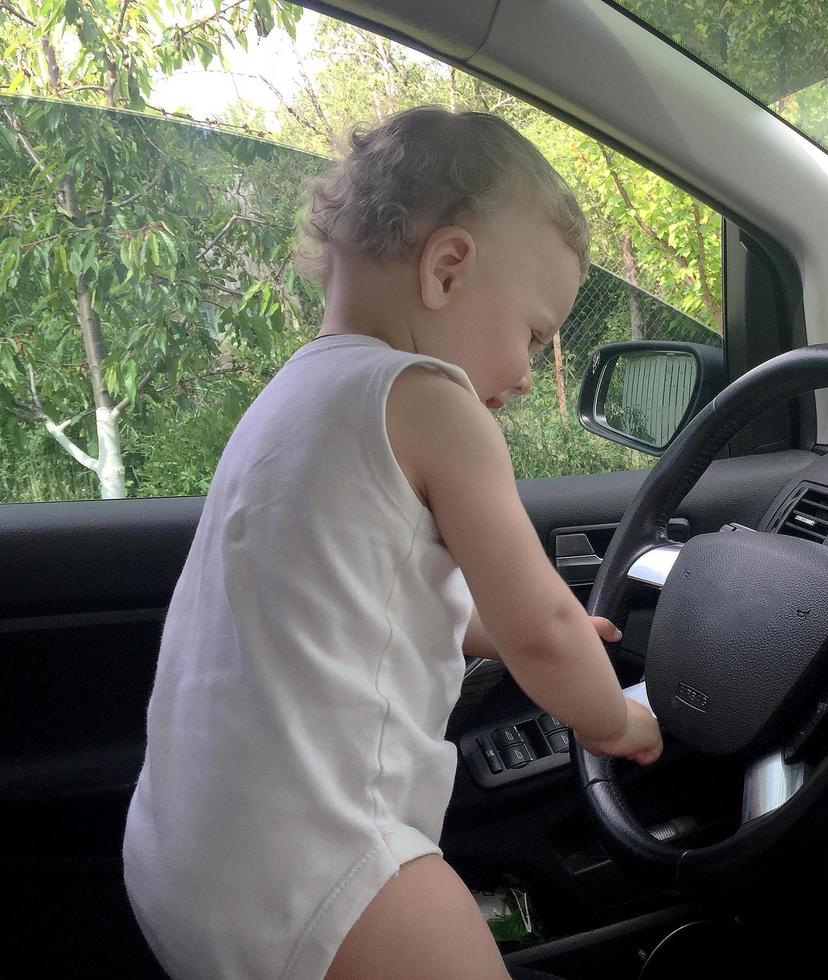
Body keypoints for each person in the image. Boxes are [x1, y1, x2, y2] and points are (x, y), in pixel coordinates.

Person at [122, 106, 663, 980]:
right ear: (448, 268)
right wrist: (617, 718)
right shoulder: (432, 402)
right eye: (531, 334)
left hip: (182, 854)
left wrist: (490, 634)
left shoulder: (290, 397)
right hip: (329, 865)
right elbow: (544, 633)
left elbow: (356, 601)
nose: (528, 375)